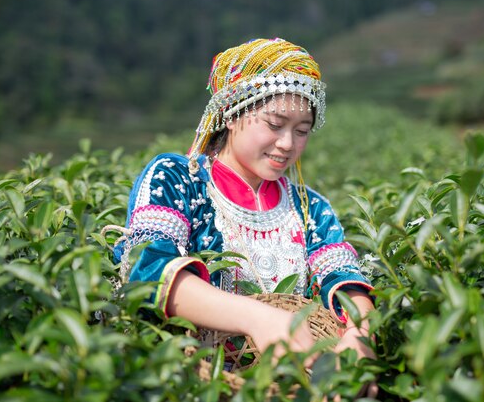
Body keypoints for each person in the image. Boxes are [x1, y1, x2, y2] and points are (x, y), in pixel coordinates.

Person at [113, 37, 375, 363]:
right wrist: (258, 317)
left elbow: (345, 280)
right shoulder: (178, 178)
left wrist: (360, 334)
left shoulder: (312, 208)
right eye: (275, 124)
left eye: (302, 131)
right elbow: (149, 271)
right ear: (232, 114)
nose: (286, 144)